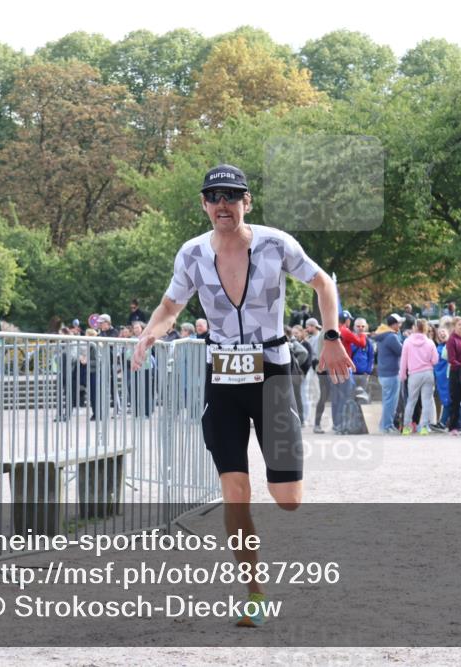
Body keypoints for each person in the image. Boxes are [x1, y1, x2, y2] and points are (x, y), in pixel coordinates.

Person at [129, 163, 350, 627]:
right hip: (223, 380)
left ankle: (284, 461)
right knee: (235, 493)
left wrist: (332, 336)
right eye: (214, 196)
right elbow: (171, 305)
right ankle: (255, 593)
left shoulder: (276, 244)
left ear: (247, 202)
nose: (223, 203)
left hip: (271, 377)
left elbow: (322, 283)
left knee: (288, 498)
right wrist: (150, 333)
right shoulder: (191, 254)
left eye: (232, 195)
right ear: (204, 204)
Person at [399, 319, 439, 435]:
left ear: (414, 328)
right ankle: (424, 427)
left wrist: (402, 374)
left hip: (414, 374)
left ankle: (407, 427)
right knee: (427, 401)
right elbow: (435, 360)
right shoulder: (430, 342)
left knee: (411, 400)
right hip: (428, 373)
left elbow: (403, 360)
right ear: (425, 328)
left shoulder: (407, 342)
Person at [374, 314, 404, 434]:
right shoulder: (392, 337)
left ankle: (384, 424)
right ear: (395, 324)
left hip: (384, 372)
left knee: (388, 400)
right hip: (391, 373)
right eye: (399, 323)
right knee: (391, 402)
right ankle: (387, 426)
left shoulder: (383, 334)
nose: (400, 325)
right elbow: (401, 350)